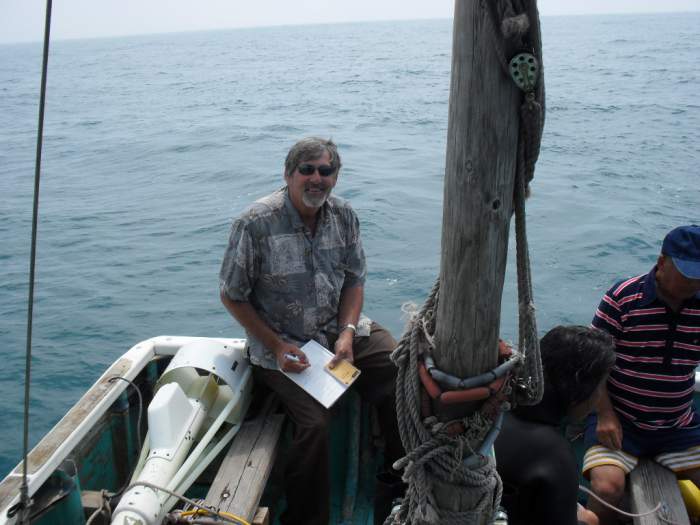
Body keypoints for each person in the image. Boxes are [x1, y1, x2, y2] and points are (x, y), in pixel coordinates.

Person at [219, 137, 404, 525]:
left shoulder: (345, 216)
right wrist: (276, 344)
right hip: (283, 345)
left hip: (338, 332)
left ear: (336, 177)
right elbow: (232, 295)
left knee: (399, 366)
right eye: (307, 169)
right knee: (314, 425)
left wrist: (348, 333)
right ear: (288, 174)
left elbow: (354, 280)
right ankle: (306, 518)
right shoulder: (254, 223)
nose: (316, 178)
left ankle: (399, 480)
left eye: (326, 171)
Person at [583, 225, 700, 525]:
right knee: (608, 487)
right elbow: (592, 363)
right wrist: (606, 415)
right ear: (662, 263)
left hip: (678, 426)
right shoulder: (623, 298)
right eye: (687, 274)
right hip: (621, 422)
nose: (693, 283)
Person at [494, 325, 616, 525]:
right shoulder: (555, 455)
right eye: (599, 387)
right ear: (579, 390)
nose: (599, 397)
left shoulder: (495, 415)